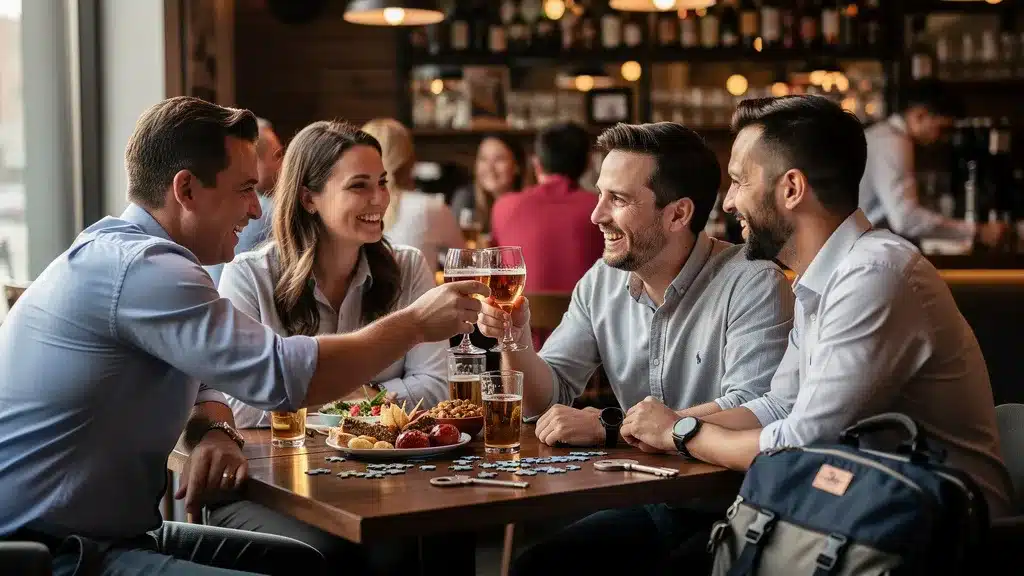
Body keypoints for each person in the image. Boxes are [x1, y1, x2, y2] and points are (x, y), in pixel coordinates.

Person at [0, 97, 487, 575]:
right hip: (54, 552)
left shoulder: (129, 255)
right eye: (244, 189)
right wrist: (416, 323)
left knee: (302, 562)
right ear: (186, 190)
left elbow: (212, 375)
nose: (257, 211)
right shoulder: (148, 269)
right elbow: (279, 377)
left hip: (108, 533)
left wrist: (214, 427)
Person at [623, 96, 1013, 540]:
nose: (728, 203)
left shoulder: (875, 274)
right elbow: (778, 406)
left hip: (943, 536)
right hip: (859, 518)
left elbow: (802, 445)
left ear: (791, 188)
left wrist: (681, 432)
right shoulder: (821, 279)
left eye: (738, 181)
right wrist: (662, 424)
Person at [496, 122, 794, 576]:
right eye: (600, 195)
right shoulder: (601, 281)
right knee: (536, 567)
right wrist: (514, 337)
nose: (596, 214)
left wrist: (610, 428)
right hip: (650, 501)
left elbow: (754, 408)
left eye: (618, 200)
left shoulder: (752, 280)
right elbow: (546, 397)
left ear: (677, 214)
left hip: (737, 509)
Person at [218, 120, 450, 422]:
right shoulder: (249, 277)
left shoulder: (407, 267)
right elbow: (238, 405)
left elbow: (435, 388)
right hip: (283, 463)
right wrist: (353, 398)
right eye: (359, 185)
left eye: (382, 182)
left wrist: (334, 399)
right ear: (308, 199)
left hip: (390, 463)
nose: (380, 199)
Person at [489, 122, 605, 349]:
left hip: (520, 355)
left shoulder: (504, 206)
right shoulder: (601, 209)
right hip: (591, 359)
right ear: (589, 163)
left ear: (536, 163)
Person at [859, 80, 1004, 247]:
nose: (941, 138)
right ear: (920, 115)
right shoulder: (893, 142)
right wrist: (977, 231)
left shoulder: (881, 135)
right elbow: (906, 219)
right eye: (941, 129)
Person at [360, 118, 464, 270]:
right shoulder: (429, 207)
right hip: (425, 294)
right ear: (409, 160)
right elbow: (467, 262)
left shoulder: (353, 209)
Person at [206, 116, 284, 285]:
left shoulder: (217, 208)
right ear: (254, 160)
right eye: (277, 156)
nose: (283, 165)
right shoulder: (269, 212)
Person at [449, 134, 525, 235]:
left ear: (517, 166)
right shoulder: (465, 198)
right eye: (483, 159)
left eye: (499, 159)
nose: (489, 168)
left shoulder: (529, 205)